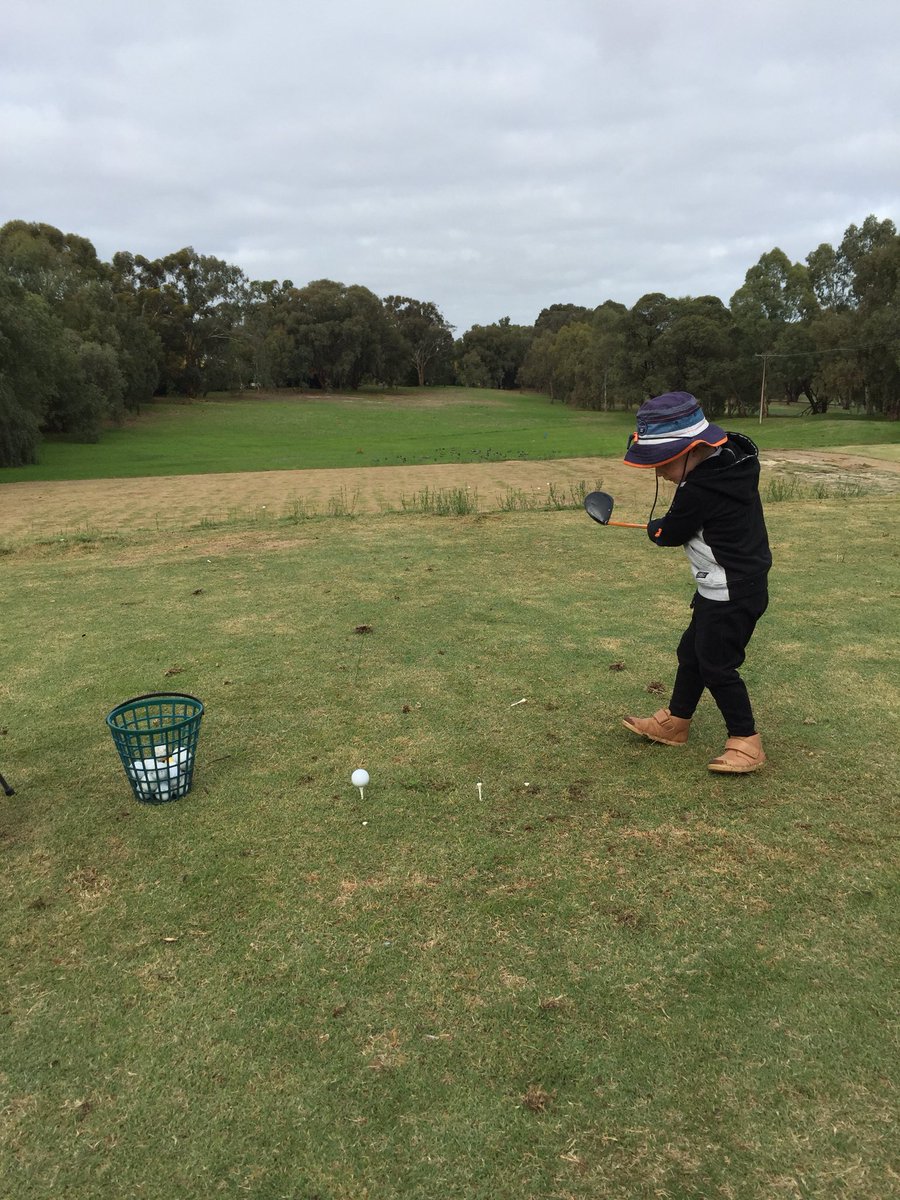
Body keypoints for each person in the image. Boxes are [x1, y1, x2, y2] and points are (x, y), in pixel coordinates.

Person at [620, 391, 772, 773]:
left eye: (664, 462)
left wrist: (657, 529)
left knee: (717, 665)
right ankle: (676, 722)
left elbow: (669, 534)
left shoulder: (700, 490)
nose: (658, 472)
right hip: (729, 585)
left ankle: (746, 741)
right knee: (692, 653)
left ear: (693, 449)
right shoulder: (730, 464)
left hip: (731, 590)